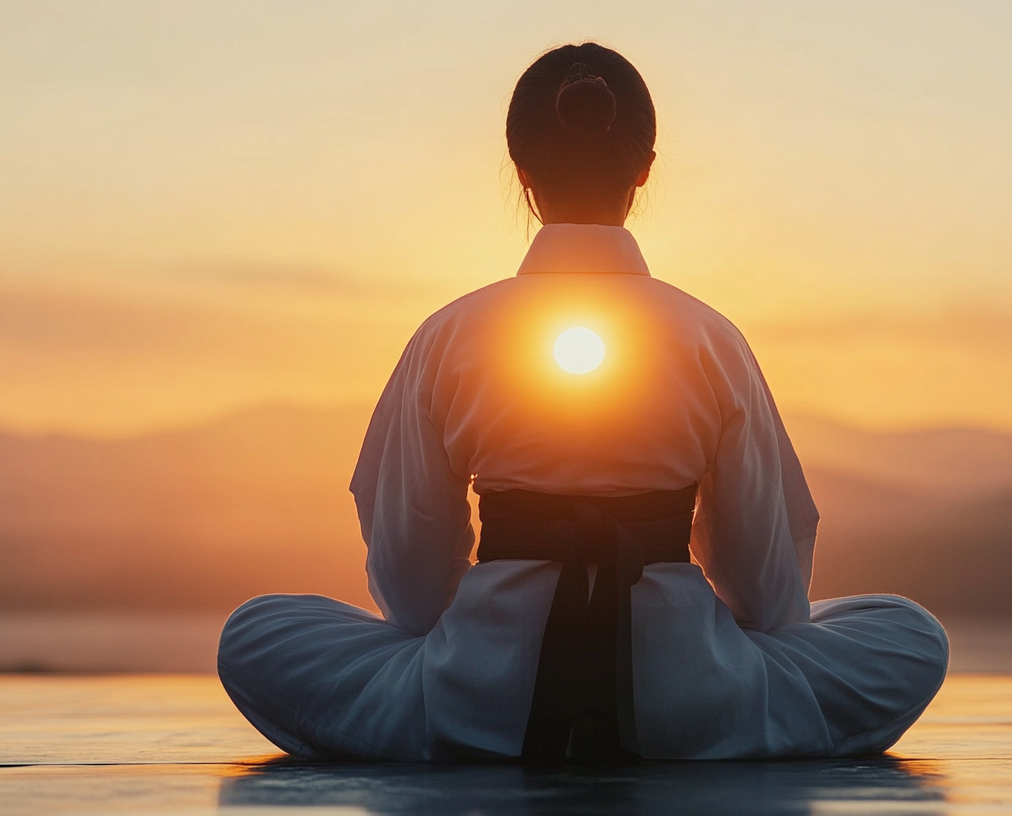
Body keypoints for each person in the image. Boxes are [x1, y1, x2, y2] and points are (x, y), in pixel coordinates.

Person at [218, 42, 948, 763]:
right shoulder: (710, 338)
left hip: (478, 699)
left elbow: (408, 592)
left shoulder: (450, 335)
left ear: (521, 170)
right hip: (690, 702)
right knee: (908, 632)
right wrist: (688, 632)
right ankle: (700, 711)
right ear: (645, 169)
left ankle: (480, 707)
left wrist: (488, 635)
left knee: (257, 632)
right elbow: (770, 595)